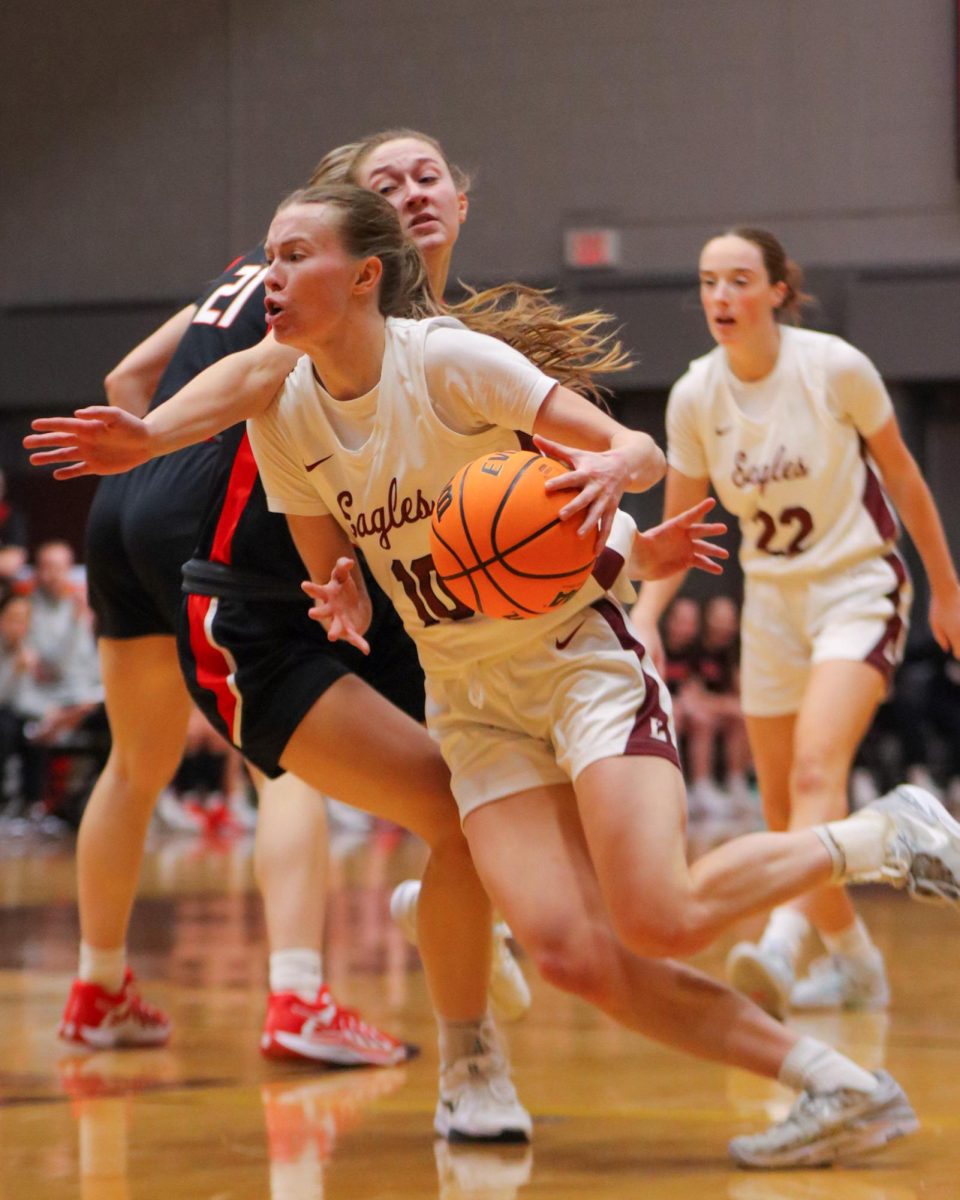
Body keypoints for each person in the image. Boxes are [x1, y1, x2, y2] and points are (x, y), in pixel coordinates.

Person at [42, 182, 960, 1167]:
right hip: (473, 704)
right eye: (267, 254)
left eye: (295, 254)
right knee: (573, 952)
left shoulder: (446, 362)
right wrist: (340, 598)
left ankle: (880, 833)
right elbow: (331, 565)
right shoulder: (289, 415)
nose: (272, 275)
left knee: (658, 914)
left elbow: (637, 451)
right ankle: (841, 1088)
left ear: (361, 277)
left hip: (577, 663)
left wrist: (615, 471)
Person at [631, 227, 960, 1021]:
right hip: (772, 602)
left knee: (819, 774)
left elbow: (907, 480)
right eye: (709, 282)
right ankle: (854, 964)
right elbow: (681, 534)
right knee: (785, 814)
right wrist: (643, 618)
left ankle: (780, 943)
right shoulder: (694, 396)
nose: (720, 297)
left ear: (779, 289)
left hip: (858, 584)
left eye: (739, 280)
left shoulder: (834, 367)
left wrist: (946, 591)